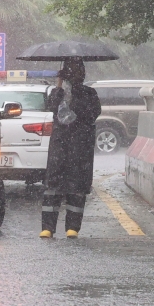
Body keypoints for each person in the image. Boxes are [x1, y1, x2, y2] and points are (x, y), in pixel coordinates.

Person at [40, 58, 101, 239]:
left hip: (80, 146)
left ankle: (72, 227)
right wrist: (59, 87)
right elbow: (51, 107)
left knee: (77, 185)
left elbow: (93, 113)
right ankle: (48, 227)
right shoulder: (58, 92)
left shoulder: (89, 93)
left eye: (76, 70)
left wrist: (75, 105)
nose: (73, 74)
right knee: (53, 184)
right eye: (69, 70)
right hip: (60, 145)